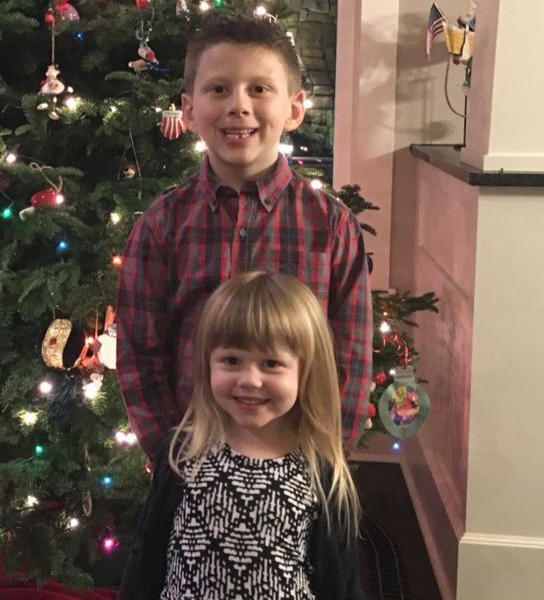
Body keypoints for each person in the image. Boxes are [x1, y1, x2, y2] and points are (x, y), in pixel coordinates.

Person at [116, 13, 372, 463]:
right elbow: (140, 355)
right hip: (191, 468)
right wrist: (174, 459)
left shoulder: (331, 226)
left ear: (294, 108)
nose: (238, 105)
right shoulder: (160, 226)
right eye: (219, 89)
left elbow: (349, 361)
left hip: (301, 468)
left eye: (259, 88)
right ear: (190, 110)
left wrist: (323, 460)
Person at [118, 271, 364, 600]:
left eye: (271, 363)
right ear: (208, 364)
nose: (249, 380)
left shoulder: (322, 473)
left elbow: (343, 583)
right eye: (232, 360)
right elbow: (146, 557)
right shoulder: (182, 454)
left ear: (305, 371)